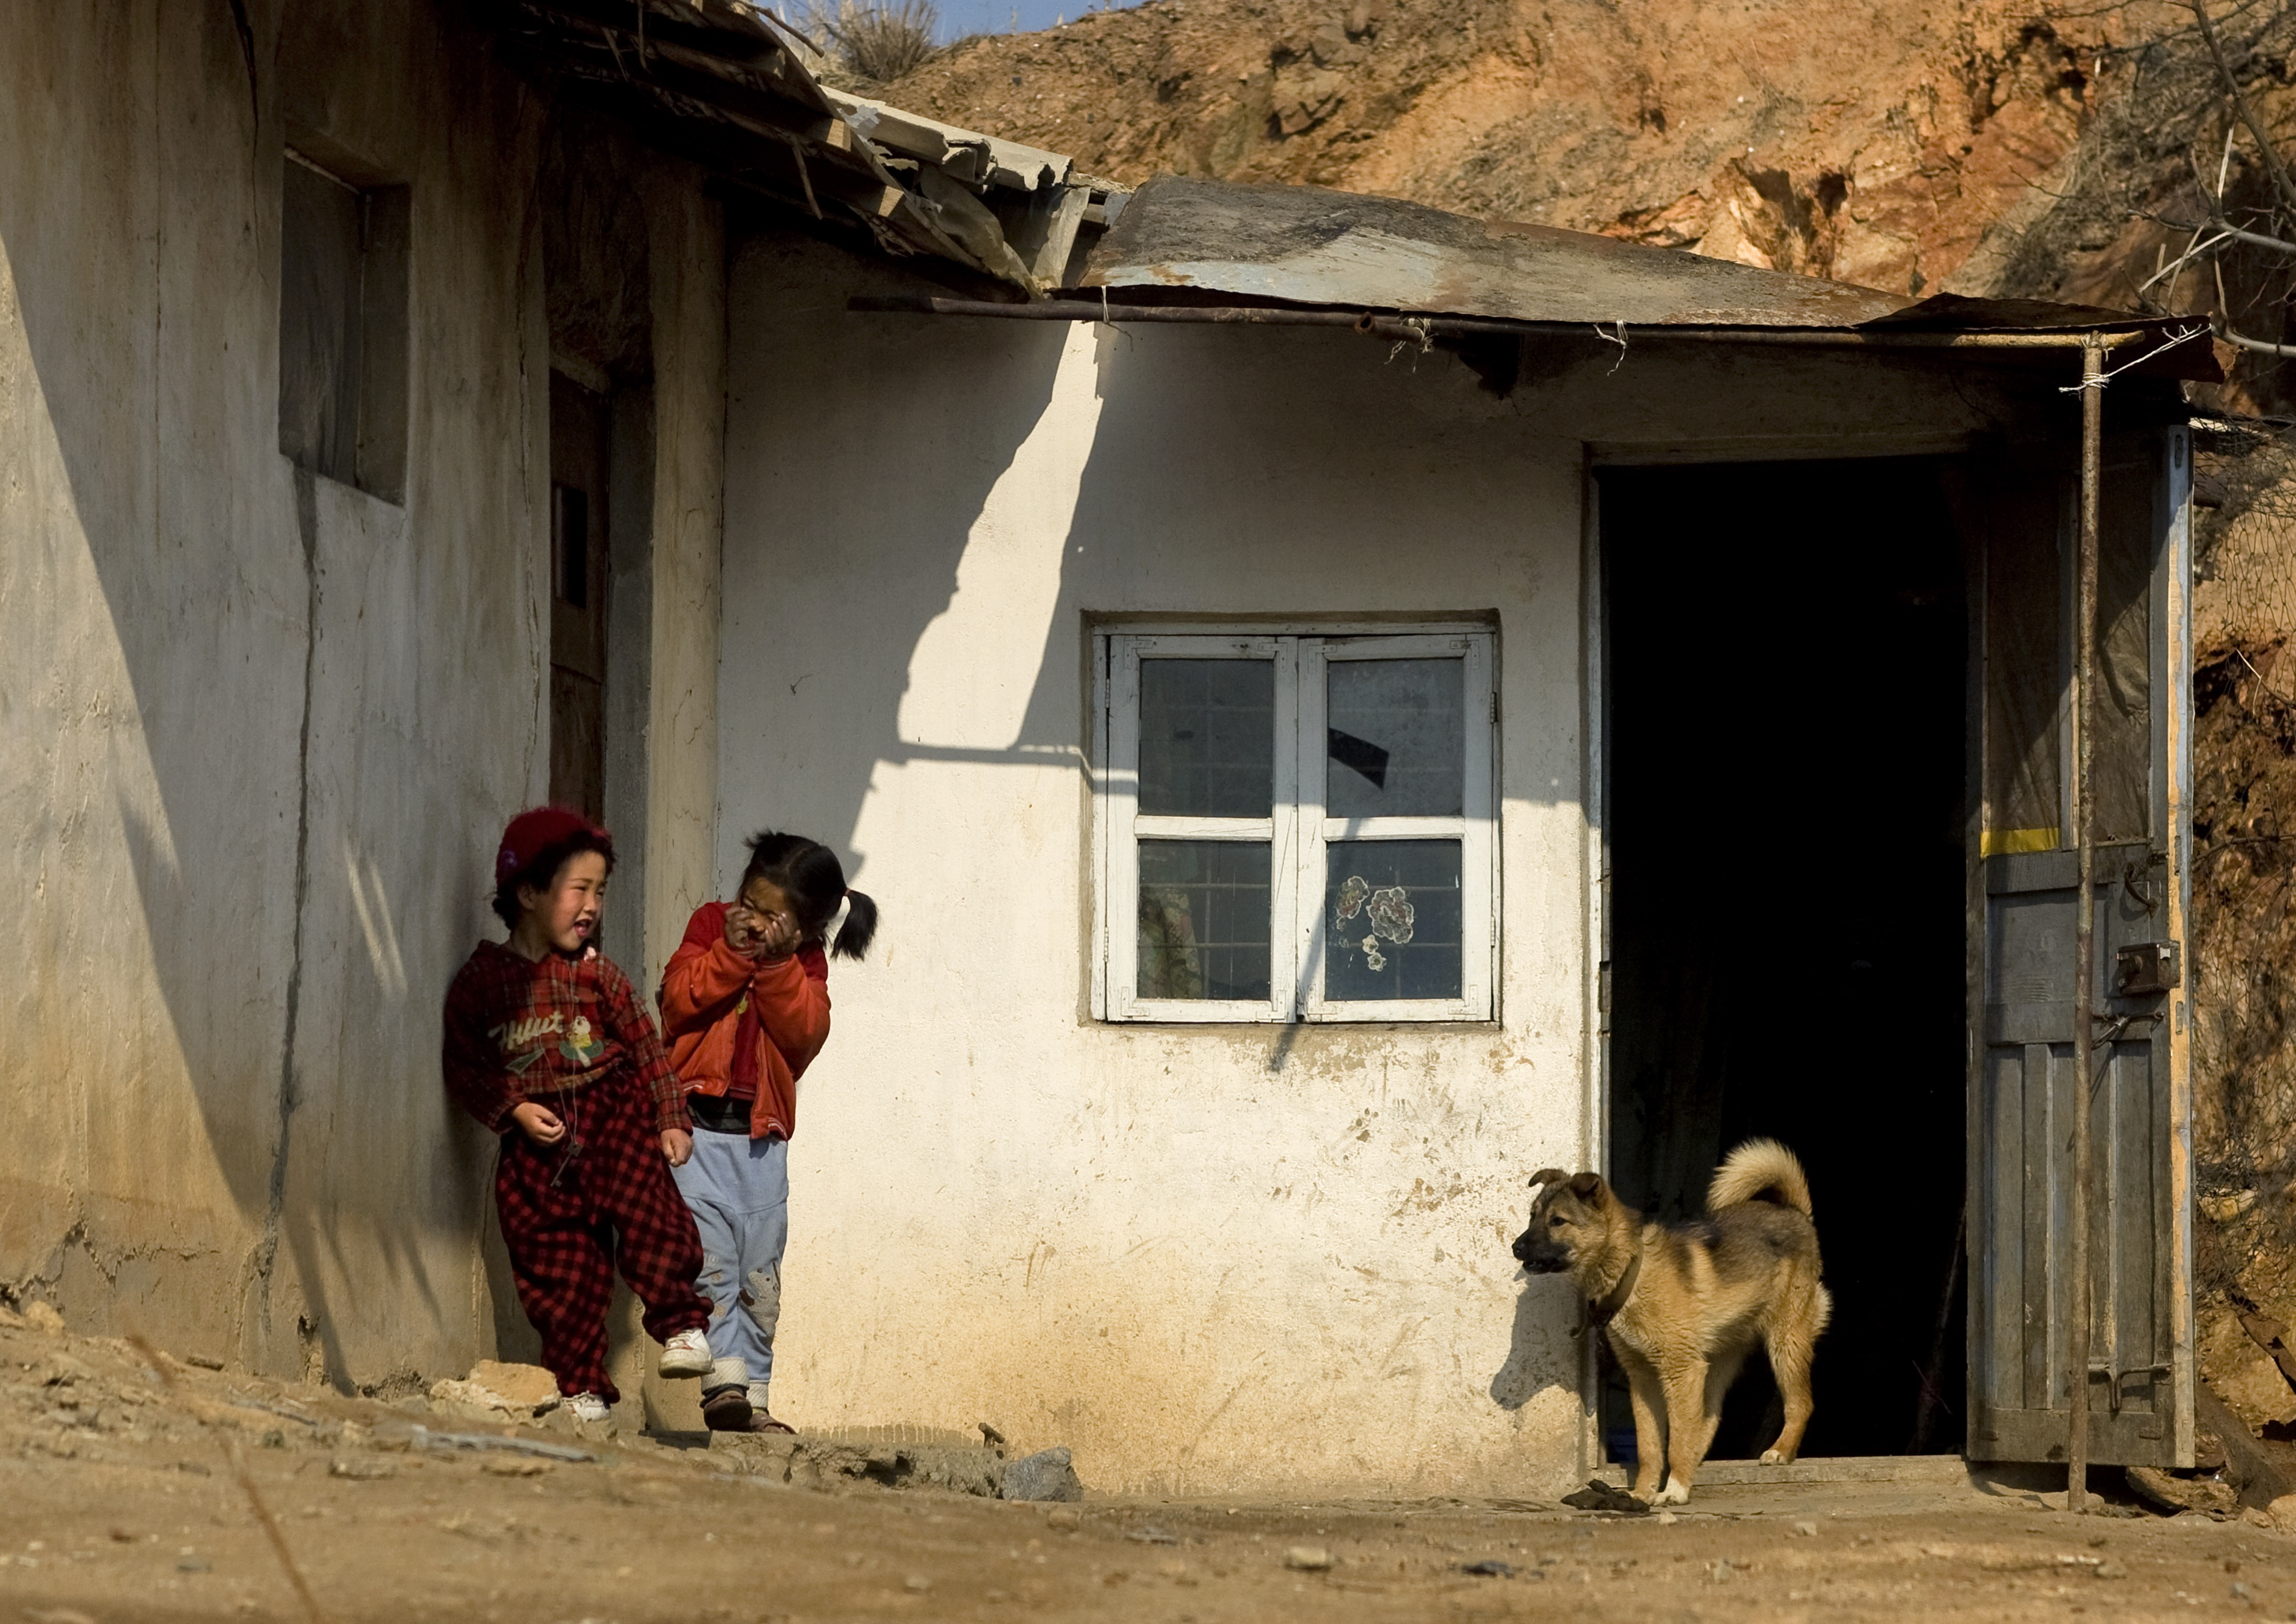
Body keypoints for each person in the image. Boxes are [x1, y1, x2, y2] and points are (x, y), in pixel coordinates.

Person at [442, 806, 717, 1422]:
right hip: (540, 1146)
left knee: (652, 1216)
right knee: (557, 1265)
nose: (593, 904)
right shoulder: (482, 983)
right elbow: (464, 1065)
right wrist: (512, 1108)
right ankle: (580, 1389)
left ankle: (679, 1325)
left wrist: (670, 1115)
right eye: (579, 889)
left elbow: (646, 1043)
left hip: (612, 1112)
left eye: (601, 891)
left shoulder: (596, 974)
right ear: (529, 892)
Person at [659, 831, 879, 1433]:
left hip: (761, 1143)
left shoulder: (803, 961)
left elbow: (804, 1038)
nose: (753, 921)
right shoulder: (710, 926)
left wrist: (778, 965)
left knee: (761, 1278)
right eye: (748, 903)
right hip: (696, 1132)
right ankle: (723, 1383)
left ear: (805, 927)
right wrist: (730, 955)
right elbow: (677, 1003)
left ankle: (753, 1398)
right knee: (711, 1264)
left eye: (771, 916)